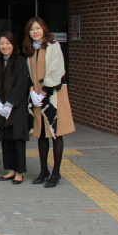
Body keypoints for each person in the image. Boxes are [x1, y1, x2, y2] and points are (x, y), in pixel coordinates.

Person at [24, 17, 75, 188]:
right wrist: (32, 92)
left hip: (53, 95)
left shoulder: (54, 47)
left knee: (55, 133)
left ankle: (56, 172)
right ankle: (43, 170)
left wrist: (44, 92)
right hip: (37, 96)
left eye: (38, 28)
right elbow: (28, 74)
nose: (35, 32)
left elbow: (57, 71)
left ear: (44, 29)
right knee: (41, 133)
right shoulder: (30, 49)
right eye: (32, 29)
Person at [0, 31, 30, 185]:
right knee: (6, 139)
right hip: (1, 107)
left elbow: (21, 84)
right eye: (1, 44)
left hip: (17, 107)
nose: (4, 46)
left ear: (13, 44)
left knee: (17, 139)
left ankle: (19, 172)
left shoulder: (20, 61)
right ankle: (11, 169)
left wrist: (10, 104)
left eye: (8, 43)